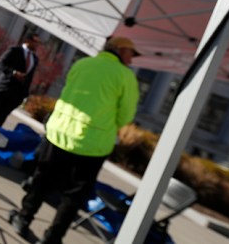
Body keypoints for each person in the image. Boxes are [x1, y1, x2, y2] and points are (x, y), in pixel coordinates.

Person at [9, 36, 140, 244]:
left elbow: (68, 92)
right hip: (92, 145)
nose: (132, 60)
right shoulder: (125, 77)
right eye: (131, 54)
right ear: (121, 50)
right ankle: (53, 237)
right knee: (74, 196)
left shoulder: (82, 63)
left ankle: (23, 219)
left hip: (59, 134)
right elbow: (125, 117)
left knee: (42, 181)